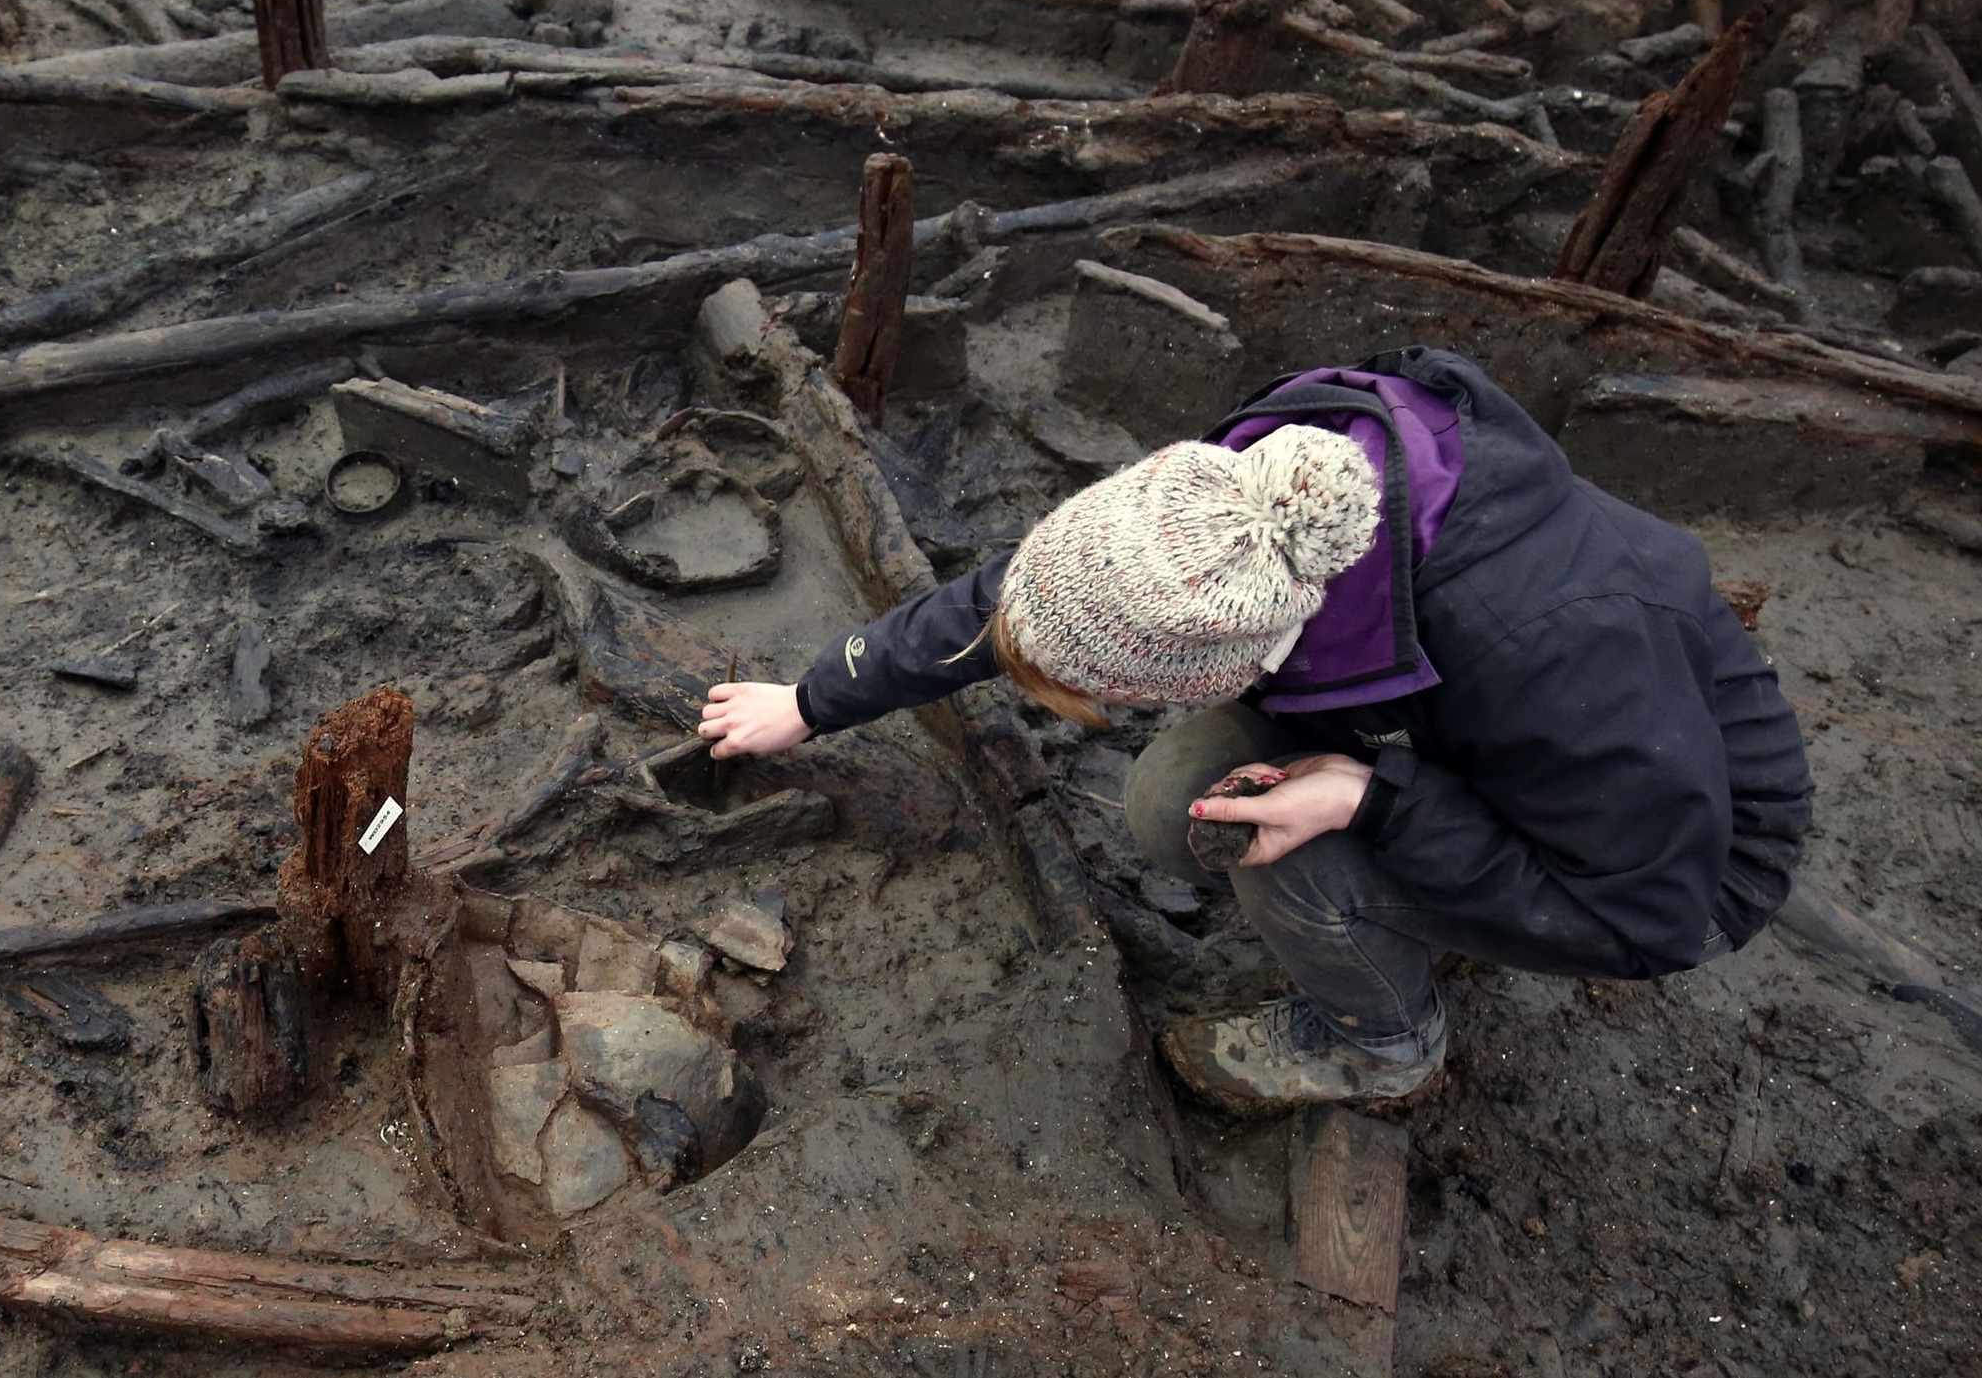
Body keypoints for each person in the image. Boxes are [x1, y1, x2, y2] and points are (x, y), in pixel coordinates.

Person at [695, 347, 1814, 1111]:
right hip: (1504, 737)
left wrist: (1369, 801)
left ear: (1242, 653)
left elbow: (1648, 919)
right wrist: (813, 698)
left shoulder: (1551, 651)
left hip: (1681, 866)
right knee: (1171, 800)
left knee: (1276, 853)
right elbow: (1030, 599)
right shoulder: (1255, 491)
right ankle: (1390, 884)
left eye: (1125, 690)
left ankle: (1383, 1044)